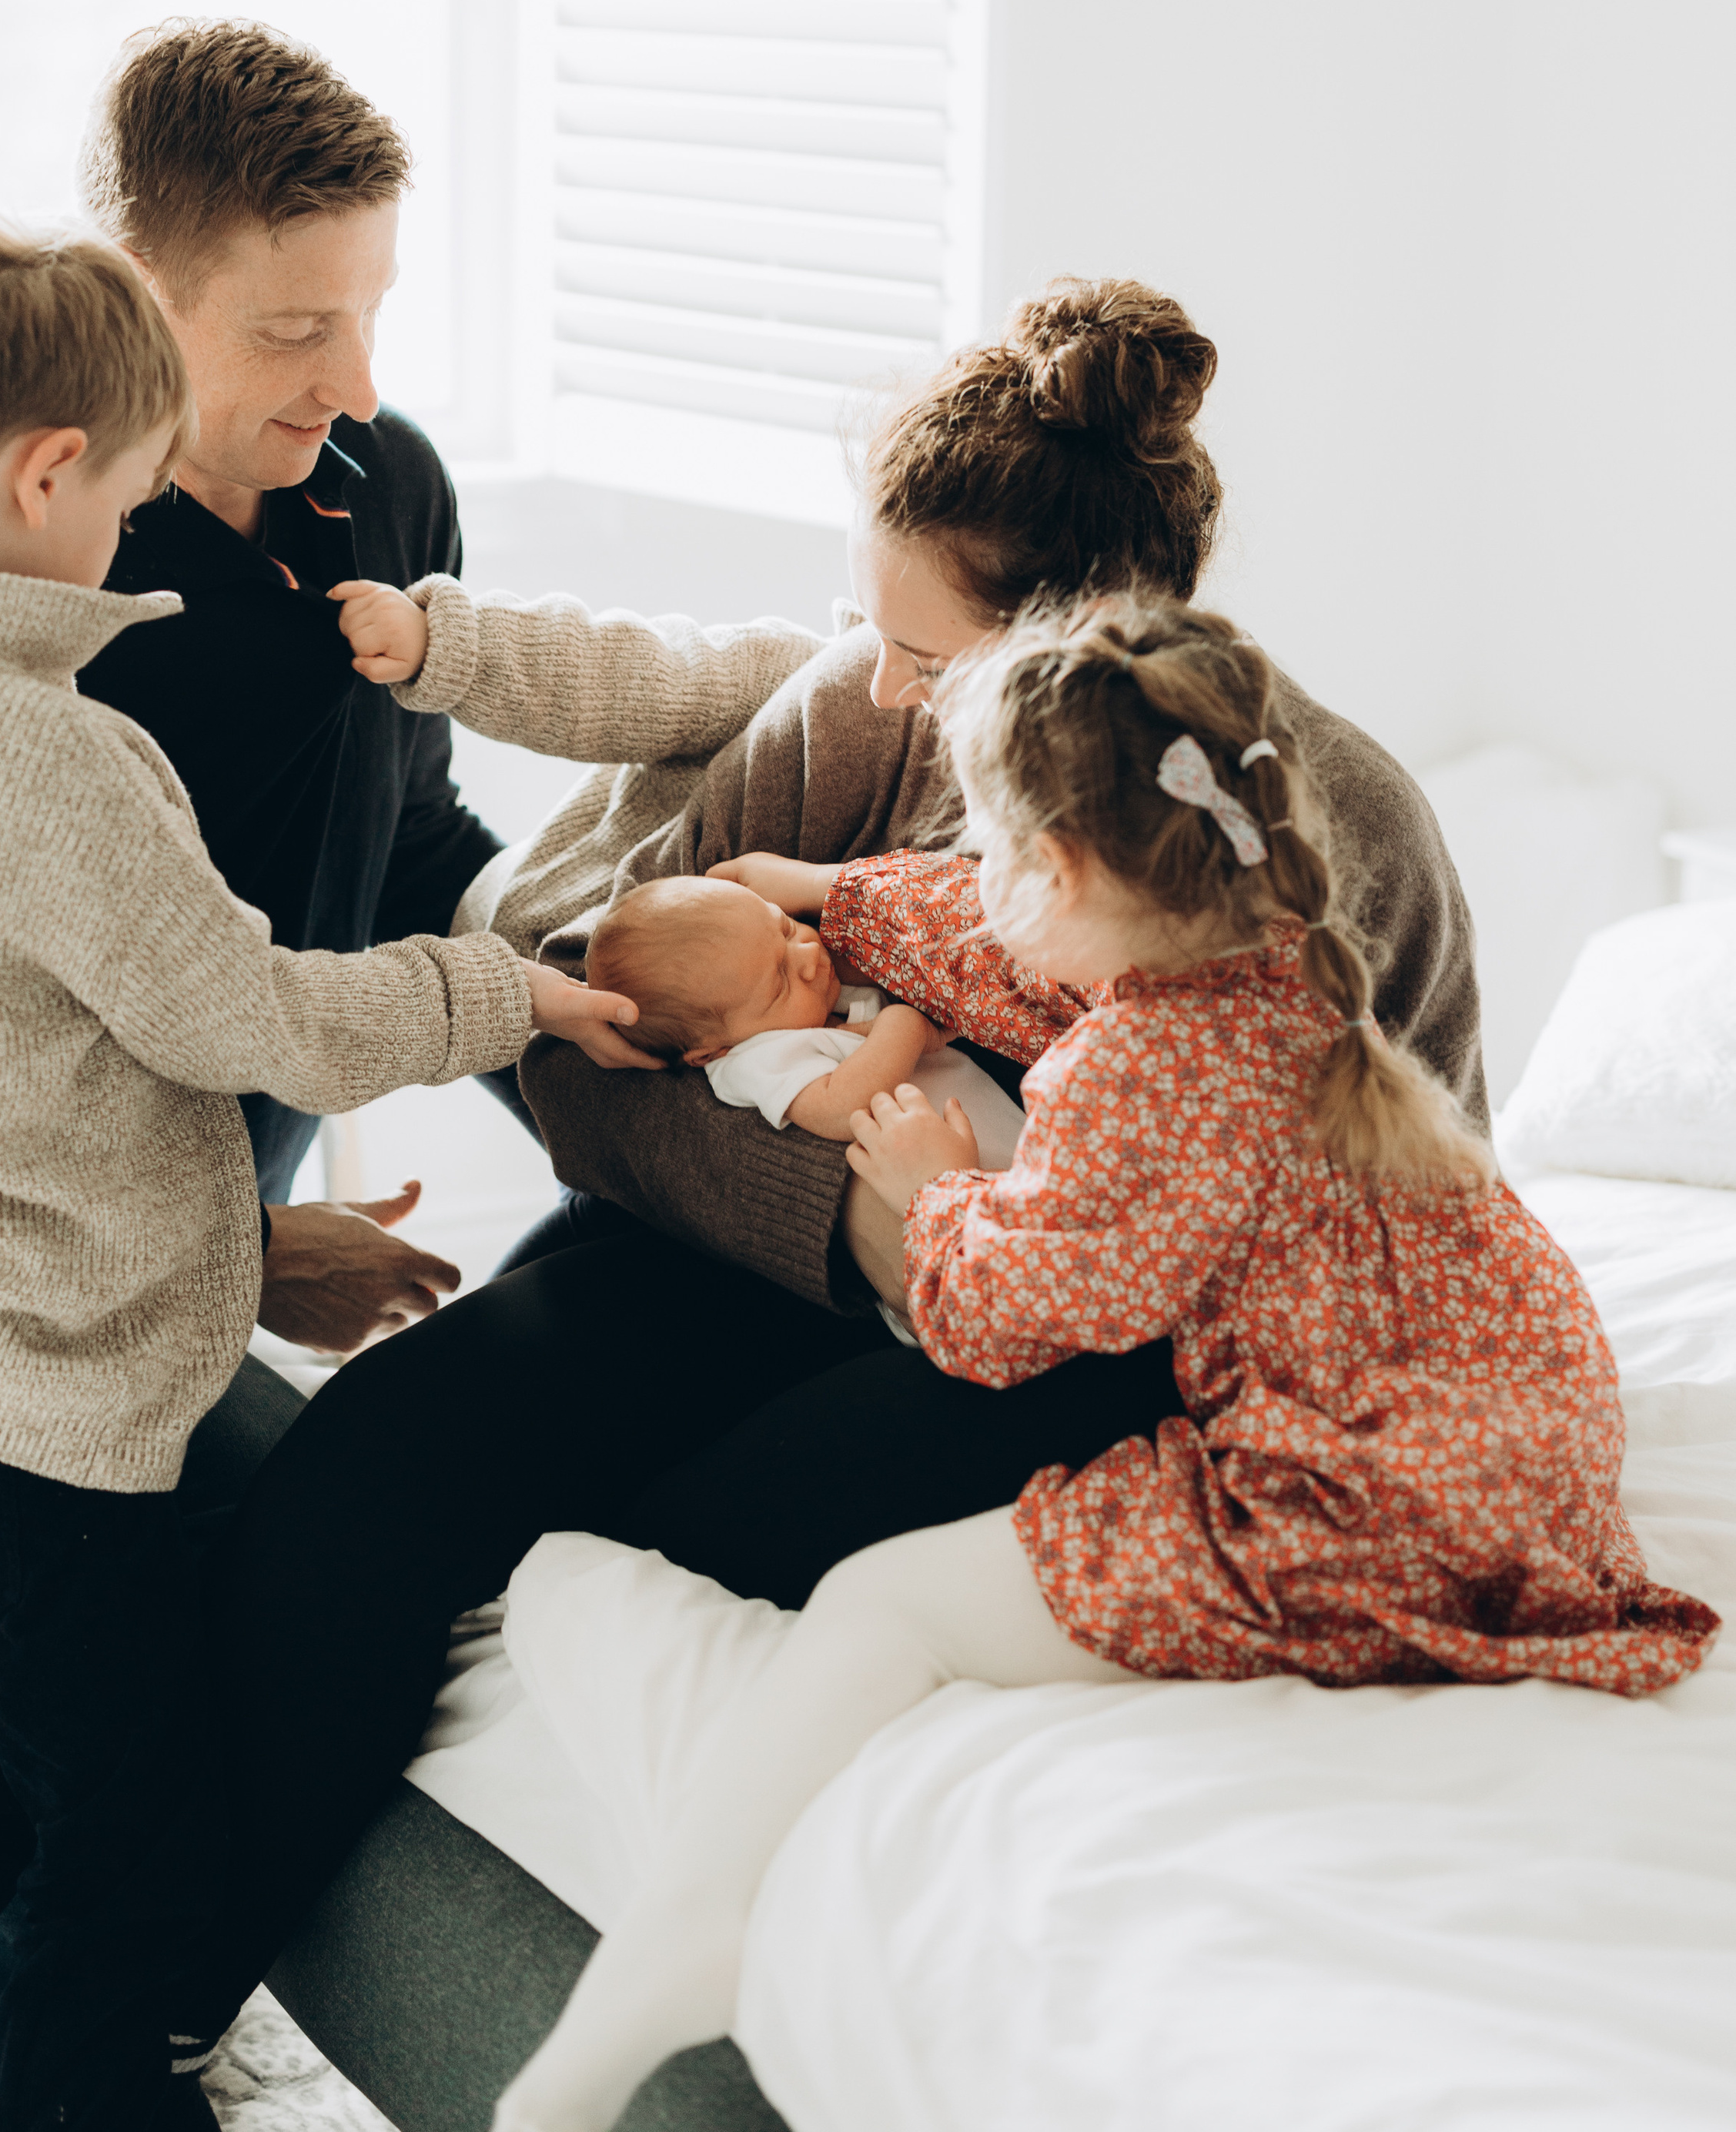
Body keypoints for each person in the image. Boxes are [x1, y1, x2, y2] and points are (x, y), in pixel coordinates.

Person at [202, 278, 1494, 2006]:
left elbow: (1403, 1250)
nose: (879, 687)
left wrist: (991, 1252)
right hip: (757, 1258)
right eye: (864, 629)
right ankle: (150, 2005)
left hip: (1095, 1348)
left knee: (680, 1542)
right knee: (376, 1466)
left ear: (1072, 661)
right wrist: (856, 1226)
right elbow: (586, 1035)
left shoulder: (1330, 831)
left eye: (928, 659)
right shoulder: (848, 720)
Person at [492, 599, 1715, 2132]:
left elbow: (1009, 1316)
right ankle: (690, 1939)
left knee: (882, 1603)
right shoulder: (1263, 952)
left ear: (1066, 876)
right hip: (1522, 1423)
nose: (976, 879)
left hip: (1382, 1503)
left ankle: (693, 1937)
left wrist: (935, 1181)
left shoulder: (1143, 1074)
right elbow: (987, 946)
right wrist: (833, 900)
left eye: (998, 851)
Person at [0, 213, 639, 2128]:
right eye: (129, 494)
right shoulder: (43, 759)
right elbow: (261, 1021)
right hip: (43, 1411)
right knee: (133, 1837)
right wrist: (509, 995)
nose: (129, 547)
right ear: (48, 472)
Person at [583, 872, 1022, 1164]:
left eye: (786, 927)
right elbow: (838, 1109)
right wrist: (904, 1027)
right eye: (779, 983)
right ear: (712, 1051)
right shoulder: (750, 1060)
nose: (809, 956)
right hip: (971, 1204)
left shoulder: (800, 1006)